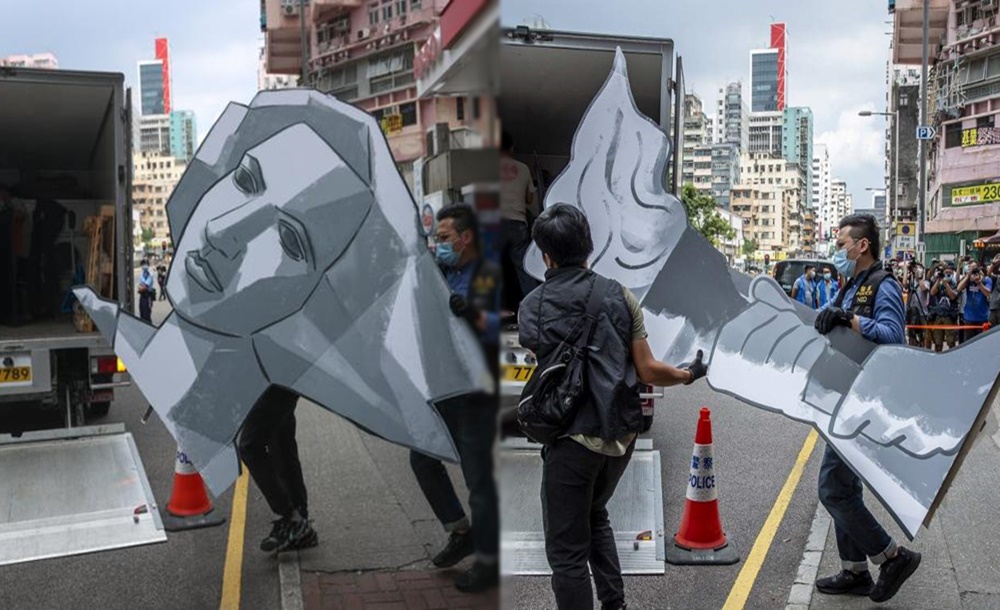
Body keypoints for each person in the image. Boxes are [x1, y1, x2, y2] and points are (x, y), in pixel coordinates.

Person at [518, 204, 708, 610]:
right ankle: (614, 603)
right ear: (589, 246)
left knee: (566, 554)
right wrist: (689, 373)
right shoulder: (620, 296)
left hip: (571, 437)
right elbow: (648, 369)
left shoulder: (532, 305)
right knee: (594, 513)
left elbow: (544, 364)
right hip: (619, 435)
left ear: (545, 255)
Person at [812, 213, 920, 602]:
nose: (836, 251)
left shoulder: (882, 285)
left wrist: (851, 319)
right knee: (845, 486)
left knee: (832, 488)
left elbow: (893, 336)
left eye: (841, 244)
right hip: (846, 393)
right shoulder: (850, 286)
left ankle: (892, 556)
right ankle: (855, 571)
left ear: (862, 246)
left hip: (867, 401)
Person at [410, 204, 501, 592]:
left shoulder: (486, 274)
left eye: (444, 238)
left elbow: (497, 323)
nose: (439, 244)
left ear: (465, 238)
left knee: (477, 476)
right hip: (444, 387)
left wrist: (474, 315)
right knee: (421, 456)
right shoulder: (445, 272)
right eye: (437, 238)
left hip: (474, 390)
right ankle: (462, 531)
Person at [238, 386, 317, 553]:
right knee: (280, 439)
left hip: (275, 380)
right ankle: (298, 518)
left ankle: (291, 515)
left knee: (250, 446)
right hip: (281, 380)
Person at [500, 131, 540, 300]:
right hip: (518, 224)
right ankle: (533, 307)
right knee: (524, 271)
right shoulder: (523, 168)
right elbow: (529, 199)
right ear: (512, 148)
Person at [957, 260, 992, 343]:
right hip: (969, 317)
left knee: (982, 343)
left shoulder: (986, 279)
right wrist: (968, 276)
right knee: (968, 343)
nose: (973, 270)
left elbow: (987, 293)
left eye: (974, 268)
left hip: (982, 317)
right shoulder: (968, 280)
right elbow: (958, 288)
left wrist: (979, 283)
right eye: (970, 268)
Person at [929, 264, 959, 352]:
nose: (948, 273)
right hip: (939, 315)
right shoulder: (939, 283)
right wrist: (939, 280)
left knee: (951, 341)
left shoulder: (954, 283)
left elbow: (953, 296)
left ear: (952, 272)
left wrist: (946, 285)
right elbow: (932, 292)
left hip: (950, 316)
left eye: (950, 272)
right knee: (937, 341)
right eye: (946, 272)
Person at [903, 261, 930, 347]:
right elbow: (904, 284)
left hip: (922, 313)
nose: (916, 270)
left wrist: (919, 278)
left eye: (918, 268)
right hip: (912, 312)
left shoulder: (926, 281)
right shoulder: (911, 281)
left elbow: (923, 289)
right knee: (912, 336)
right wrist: (906, 270)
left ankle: (922, 348)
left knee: (923, 337)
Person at [987, 254, 1000, 329]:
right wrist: (993, 263)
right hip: (994, 307)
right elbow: (988, 273)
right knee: (992, 330)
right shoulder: (996, 277)